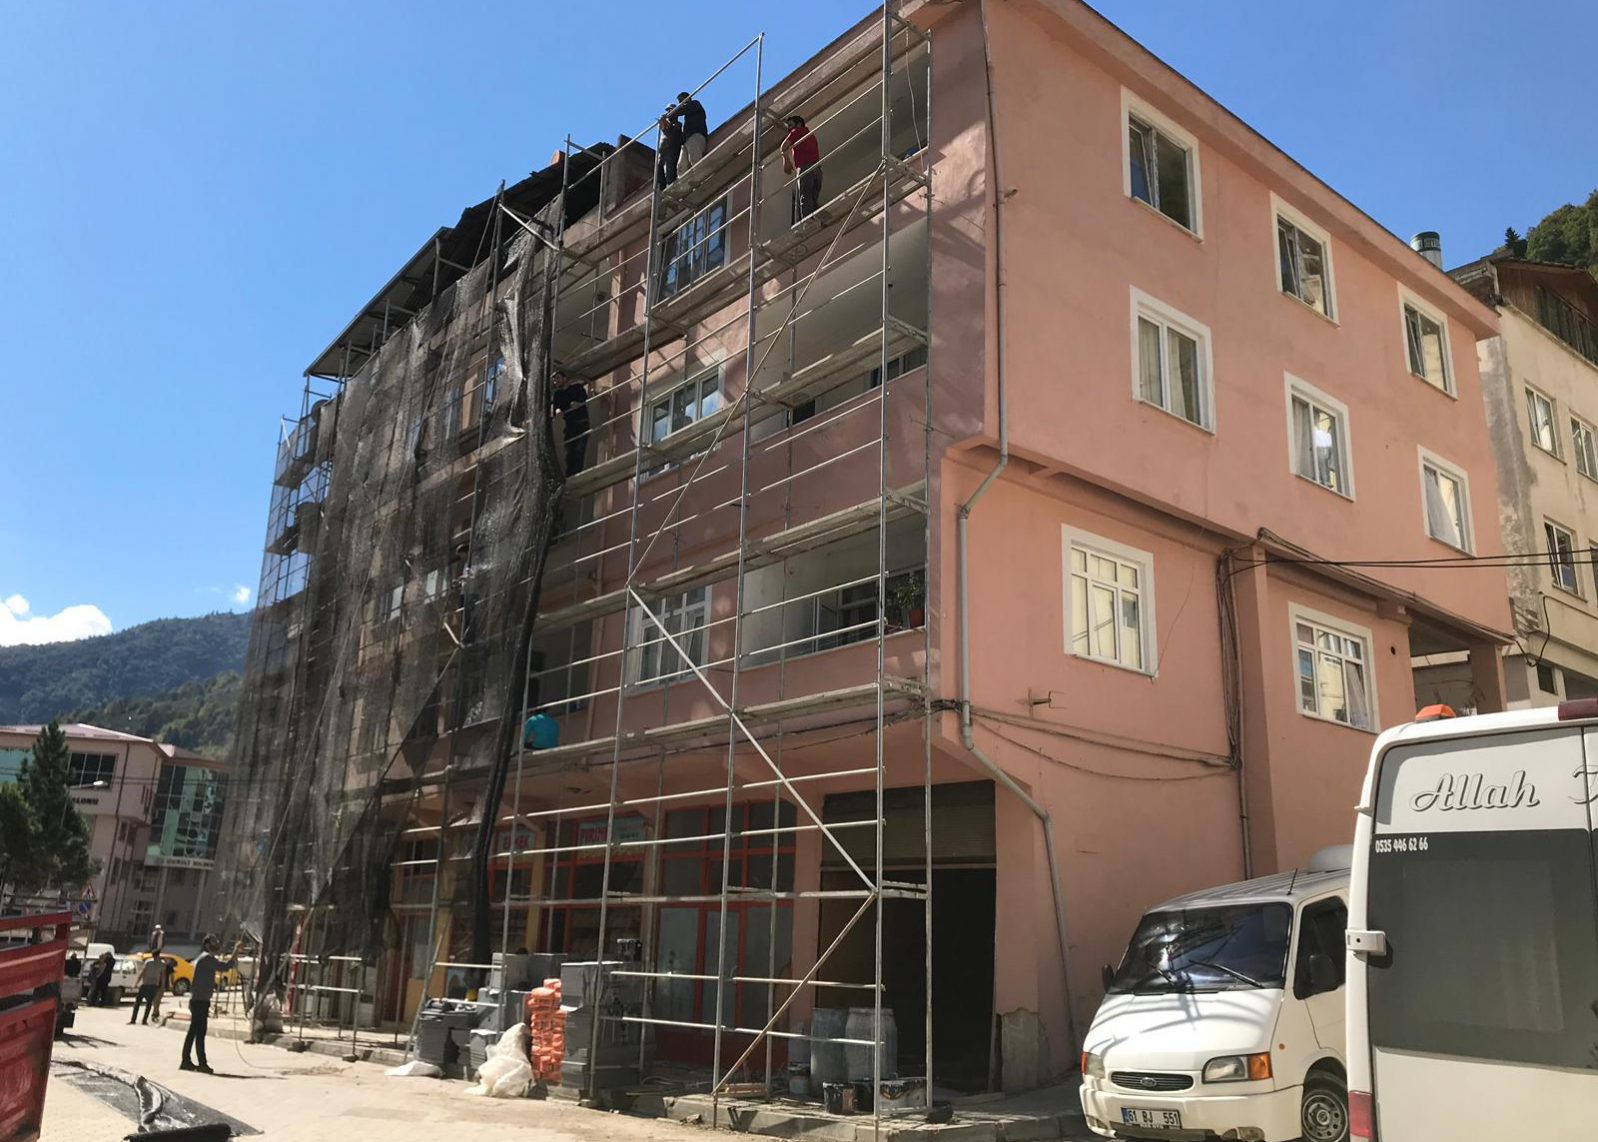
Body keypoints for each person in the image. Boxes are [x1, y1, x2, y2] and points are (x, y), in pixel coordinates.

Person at [181, 934, 241, 1074]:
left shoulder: (203, 957)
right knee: (200, 1032)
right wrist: (235, 951)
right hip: (200, 1001)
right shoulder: (207, 958)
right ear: (208, 945)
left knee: (193, 1032)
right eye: (214, 941)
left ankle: (186, 1060)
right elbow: (225, 967)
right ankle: (201, 1063)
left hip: (198, 1000)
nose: (217, 943)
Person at [781, 115, 823, 222]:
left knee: (805, 196)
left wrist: (786, 161)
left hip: (805, 168)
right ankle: (814, 218)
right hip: (817, 169)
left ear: (799, 124)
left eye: (790, 125)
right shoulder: (810, 135)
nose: (789, 128)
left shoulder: (796, 131)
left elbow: (783, 146)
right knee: (813, 197)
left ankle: (808, 222)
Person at [551, 377, 591, 478]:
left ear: (565, 378)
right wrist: (557, 411)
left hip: (582, 423)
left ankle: (577, 474)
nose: (556, 381)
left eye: (558, 378)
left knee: (579, 450)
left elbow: (584, 398)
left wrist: (578, 403)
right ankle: (570, 475)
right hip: (570, 426)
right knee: (570, 451)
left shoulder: (576, 387)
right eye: (554, 380)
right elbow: (556, 408)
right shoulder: (558, 394)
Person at [672, 92, 708, 171]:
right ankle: (685, 180)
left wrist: (672, 112)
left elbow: (681, 110)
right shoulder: (688, 113)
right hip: (687, 140)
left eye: (681, 101)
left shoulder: (695, 104)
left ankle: (700, 176)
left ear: (687, 99)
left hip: (695, 135)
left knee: (694, 159)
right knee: (681, 167)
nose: (680, 104)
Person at [129, 955, 162, 1025]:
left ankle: (133, 1020)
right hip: (154, 986)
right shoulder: (161, 964)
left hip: (146, 985)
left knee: (138, 1002)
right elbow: (162, 975)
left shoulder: (148, 962)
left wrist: (136, 983)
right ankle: (144, 1020)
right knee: (148, 1004)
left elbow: (142, 973)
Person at [656, 115, 683, 189]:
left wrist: (665, 124)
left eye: (670, 111)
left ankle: (671, 190)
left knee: (669, 175)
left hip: (670, 153)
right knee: (659, 175)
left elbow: (672, 136)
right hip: (662, 153)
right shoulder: (666, 126)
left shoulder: (678, 125)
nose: (669, 113)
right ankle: (661, 190)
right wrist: (663, 124)